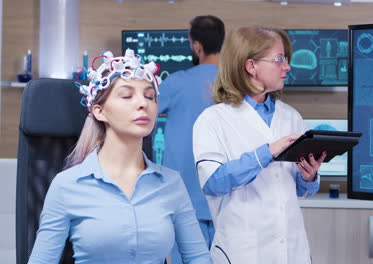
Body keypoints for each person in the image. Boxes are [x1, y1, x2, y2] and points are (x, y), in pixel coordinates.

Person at [28, 49, 211, 264]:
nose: (143, 103)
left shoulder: (171, 183)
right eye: (126, 95)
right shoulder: (67, 185)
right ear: (99, 111)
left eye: (150, 96)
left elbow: (198, 258)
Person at [193, 26, 327, 264]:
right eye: (279, 59)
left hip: (291, 249)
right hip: (243, 250)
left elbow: (298, 191)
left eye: (287, 59)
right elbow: (213, 183)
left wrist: (308, 177)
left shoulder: (291, 116)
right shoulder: (213, 119)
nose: (287, 67)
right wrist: (266, 153)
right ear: (251, 66)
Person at [157, 15, 224, 263]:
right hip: (226, 200)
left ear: (196, 46)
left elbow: (141, 115)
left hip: (183, 200)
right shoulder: (237, 85)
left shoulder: (176, 83)